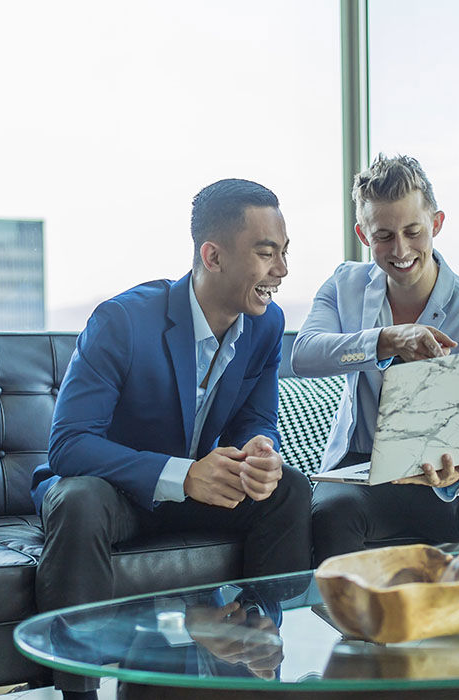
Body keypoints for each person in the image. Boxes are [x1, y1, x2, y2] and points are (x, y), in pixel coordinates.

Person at [31, 178, 312, 699]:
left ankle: (253, 656)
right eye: (266, 253)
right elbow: (69, 444)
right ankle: (79, 691)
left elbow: (257, 417)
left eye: (285, 252)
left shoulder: (267, 324)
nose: (282, 270)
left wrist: (261, 449)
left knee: (288, 489)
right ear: (213, 255)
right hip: (117, 494)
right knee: (78, 500)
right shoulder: (122, 321)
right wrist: (185, 475)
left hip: (198, 492)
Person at [291, 153, 459, 566]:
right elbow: (304, 354)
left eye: (413, 231)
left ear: (437, 223)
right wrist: (386, 340)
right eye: (384, 236)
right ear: (363, 234)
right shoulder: (344, 286)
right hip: (364, 470)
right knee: (330, 512)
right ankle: (352, 632)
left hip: (449, 473)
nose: (401, 250)